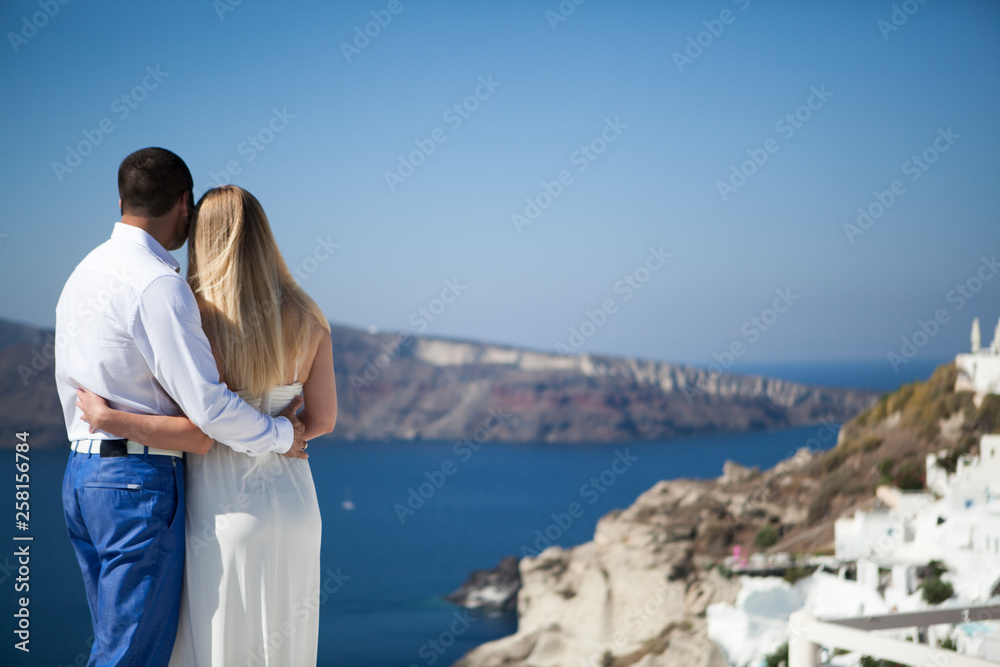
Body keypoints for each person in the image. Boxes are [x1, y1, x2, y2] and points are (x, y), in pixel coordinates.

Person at [55, 149, 309, 667]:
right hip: (136, 484)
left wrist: (109, 420)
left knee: (113, 644)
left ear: (121, 202)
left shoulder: (82, 273)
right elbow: (209, 408)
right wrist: (282, 435)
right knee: (132, 654)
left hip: (82, 477)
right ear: (184, 203)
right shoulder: (158, 284)